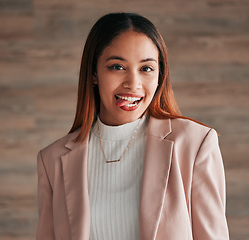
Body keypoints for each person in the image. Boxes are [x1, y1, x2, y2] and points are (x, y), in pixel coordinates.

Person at [36, 12, 229, 240]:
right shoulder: (52, 160)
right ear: (94, 74)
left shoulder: (195, 144)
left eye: (146, 68)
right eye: (117, 67)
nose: (133, 84)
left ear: (160, 76)